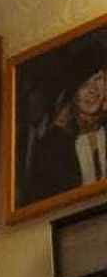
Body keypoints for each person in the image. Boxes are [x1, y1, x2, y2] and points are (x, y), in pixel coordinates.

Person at [26, 37, 107, 205]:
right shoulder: (53, 146)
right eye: (84, 85)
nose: (93, 90)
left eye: (98, 79)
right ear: (72, 94)